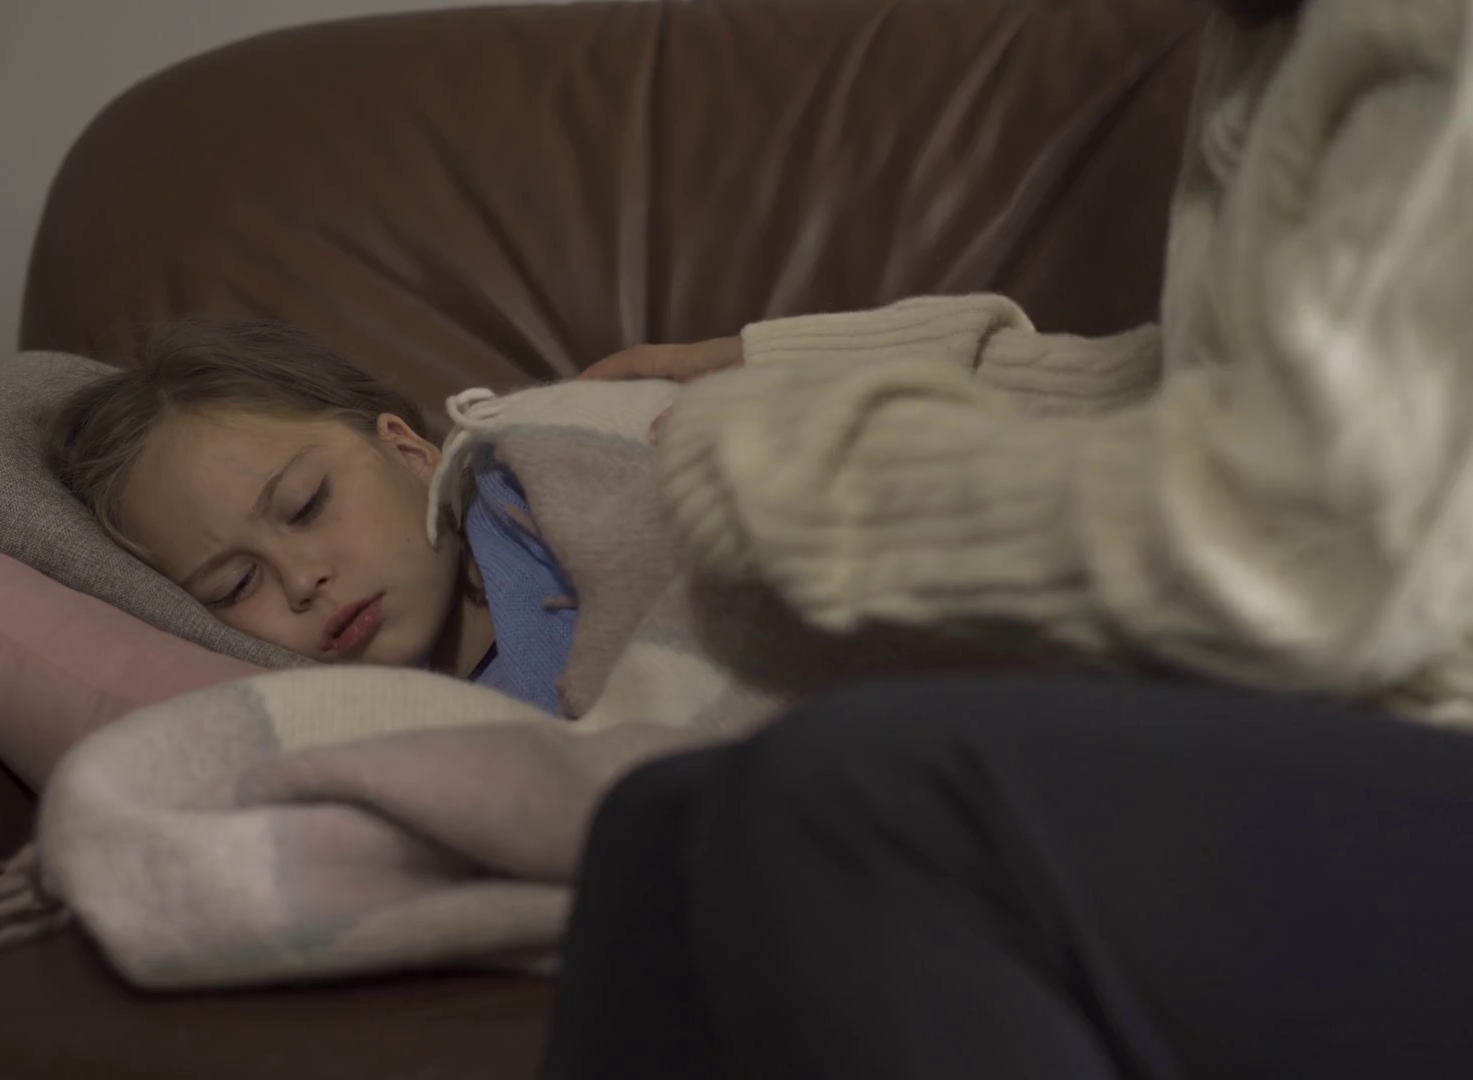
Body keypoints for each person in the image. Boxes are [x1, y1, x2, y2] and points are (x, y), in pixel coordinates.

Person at [545, 0, 1473, 1076]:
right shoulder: (1272, 33)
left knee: (857, 803)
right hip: (1368, 757)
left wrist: (802, 461)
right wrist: (795, 366)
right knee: (656, 835)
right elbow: (1257, 386)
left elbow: (1323, 544)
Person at [45, 319, 578, 714]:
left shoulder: (548, 500)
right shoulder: (341, 750)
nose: (301, 580)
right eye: (236, 584)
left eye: (307, 505)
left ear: (407, 452)